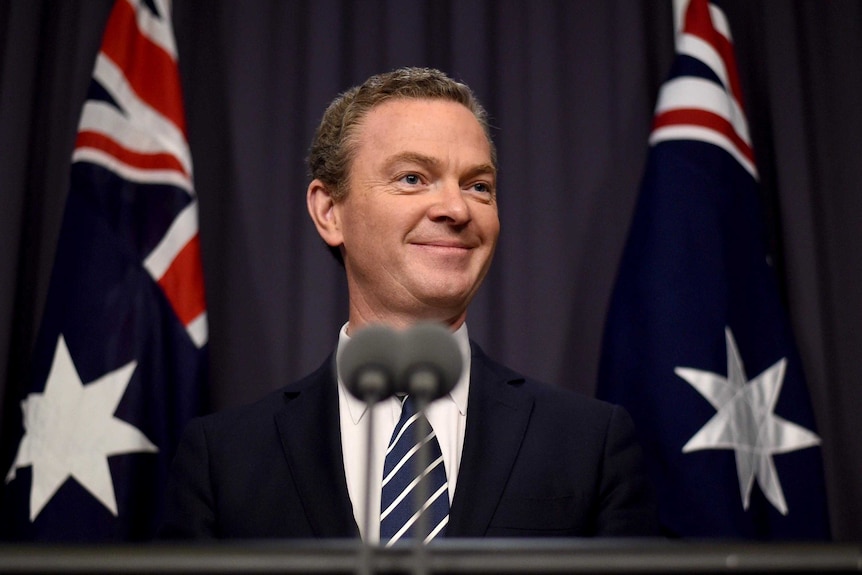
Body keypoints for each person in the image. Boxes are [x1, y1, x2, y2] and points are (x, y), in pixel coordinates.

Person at [161, 67, 657, 540]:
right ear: (330, 211)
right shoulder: (223, 459)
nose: (457, 209)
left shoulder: (590, 445)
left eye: (478, 186)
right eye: (413, 178)